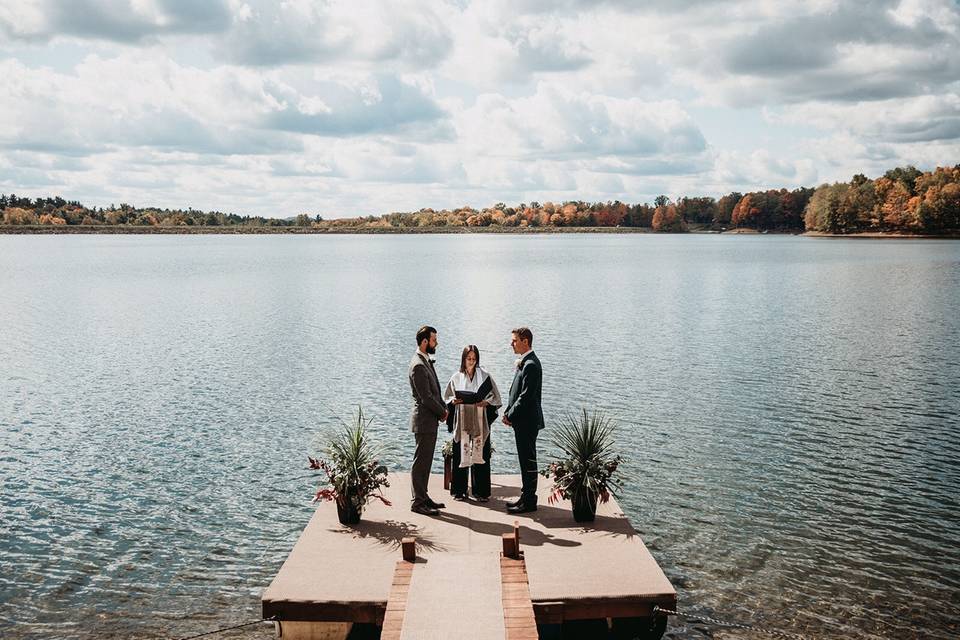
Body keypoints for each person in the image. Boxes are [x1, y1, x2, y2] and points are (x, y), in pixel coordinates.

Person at [443, 345, 502, 502]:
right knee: (459, 452)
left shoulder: (485, 376)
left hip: (479, 418)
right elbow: (447, 396)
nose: (471, 362)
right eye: (468, 359)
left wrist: (486, 402)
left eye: (474, 359)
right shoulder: (456, 377)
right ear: (463, 359)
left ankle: (481, 491)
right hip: (462, 419)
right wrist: (453, 401)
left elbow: (495, 396)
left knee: (480, 452)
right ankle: (459, 491)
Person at [502, 327, 543, 514]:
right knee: (525, 461)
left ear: (525, 341)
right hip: (523, 421)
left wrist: (510, 415)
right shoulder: (526, 362)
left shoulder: (531, 365)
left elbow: (526, 397)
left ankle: (529, 501)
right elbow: (517, 393)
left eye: (514, 340)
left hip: (527, 422)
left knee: (528, 461)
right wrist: (508, 411)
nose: (512, 344)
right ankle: (525, 497)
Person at [408, 325, 448, 516]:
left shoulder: (425, 361)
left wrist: (443, 408)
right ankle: (417, 502)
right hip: (423, 421)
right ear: (425, 342)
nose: (436, 343)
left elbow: (435, 391)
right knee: (420, 462)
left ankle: (423, 496)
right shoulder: (417, 365)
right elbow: (426, 398)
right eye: (433, 340)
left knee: (426, 462)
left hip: (429, 420)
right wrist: (443, 413)